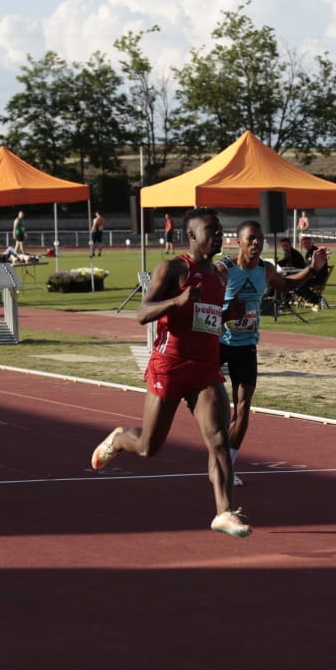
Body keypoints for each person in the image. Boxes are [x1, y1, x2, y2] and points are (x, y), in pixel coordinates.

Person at [90, 208, 251, 538]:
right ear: (192, 235)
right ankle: (120, 439)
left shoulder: (220, 276)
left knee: (219, 440)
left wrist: (227, 314)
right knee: (149, 446)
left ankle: (224, 512)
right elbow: (142, 313)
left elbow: (204, 318)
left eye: (221, 229)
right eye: (212, 229)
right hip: (171, 366)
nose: (219, 235)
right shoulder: (174, 268)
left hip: (205, 368)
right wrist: (176, 301)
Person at [220, 220, 331, 487]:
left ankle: (227, 467)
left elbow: (287, 285)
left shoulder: (265, 269)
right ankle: (216, 453)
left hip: (246, 345)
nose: (257, 243)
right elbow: (202, 306)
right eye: (251, 239)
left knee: (244, 408)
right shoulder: (224, 269)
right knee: (215, 409)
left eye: (260, 239)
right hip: (218, 344)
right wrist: (226, 314)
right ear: (239, 242)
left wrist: (312, 269)